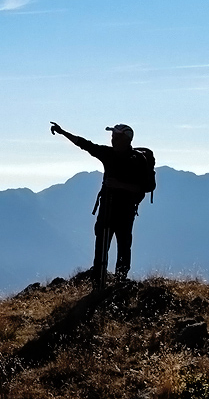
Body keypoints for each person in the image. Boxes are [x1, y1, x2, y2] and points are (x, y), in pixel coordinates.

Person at [50, 122, 146, 284]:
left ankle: (119, 282)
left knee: (122, 245)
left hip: (123, 211)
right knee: (105, 244)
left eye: (115, 136)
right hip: (109, 209)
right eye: (112, 136)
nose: (112, 139)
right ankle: (99, 281)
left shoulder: (137, 160)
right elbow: (85, 144)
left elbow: (147, 186)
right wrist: (62, 132)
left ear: (125, 139)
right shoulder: (109, 154)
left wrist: (120, 185)